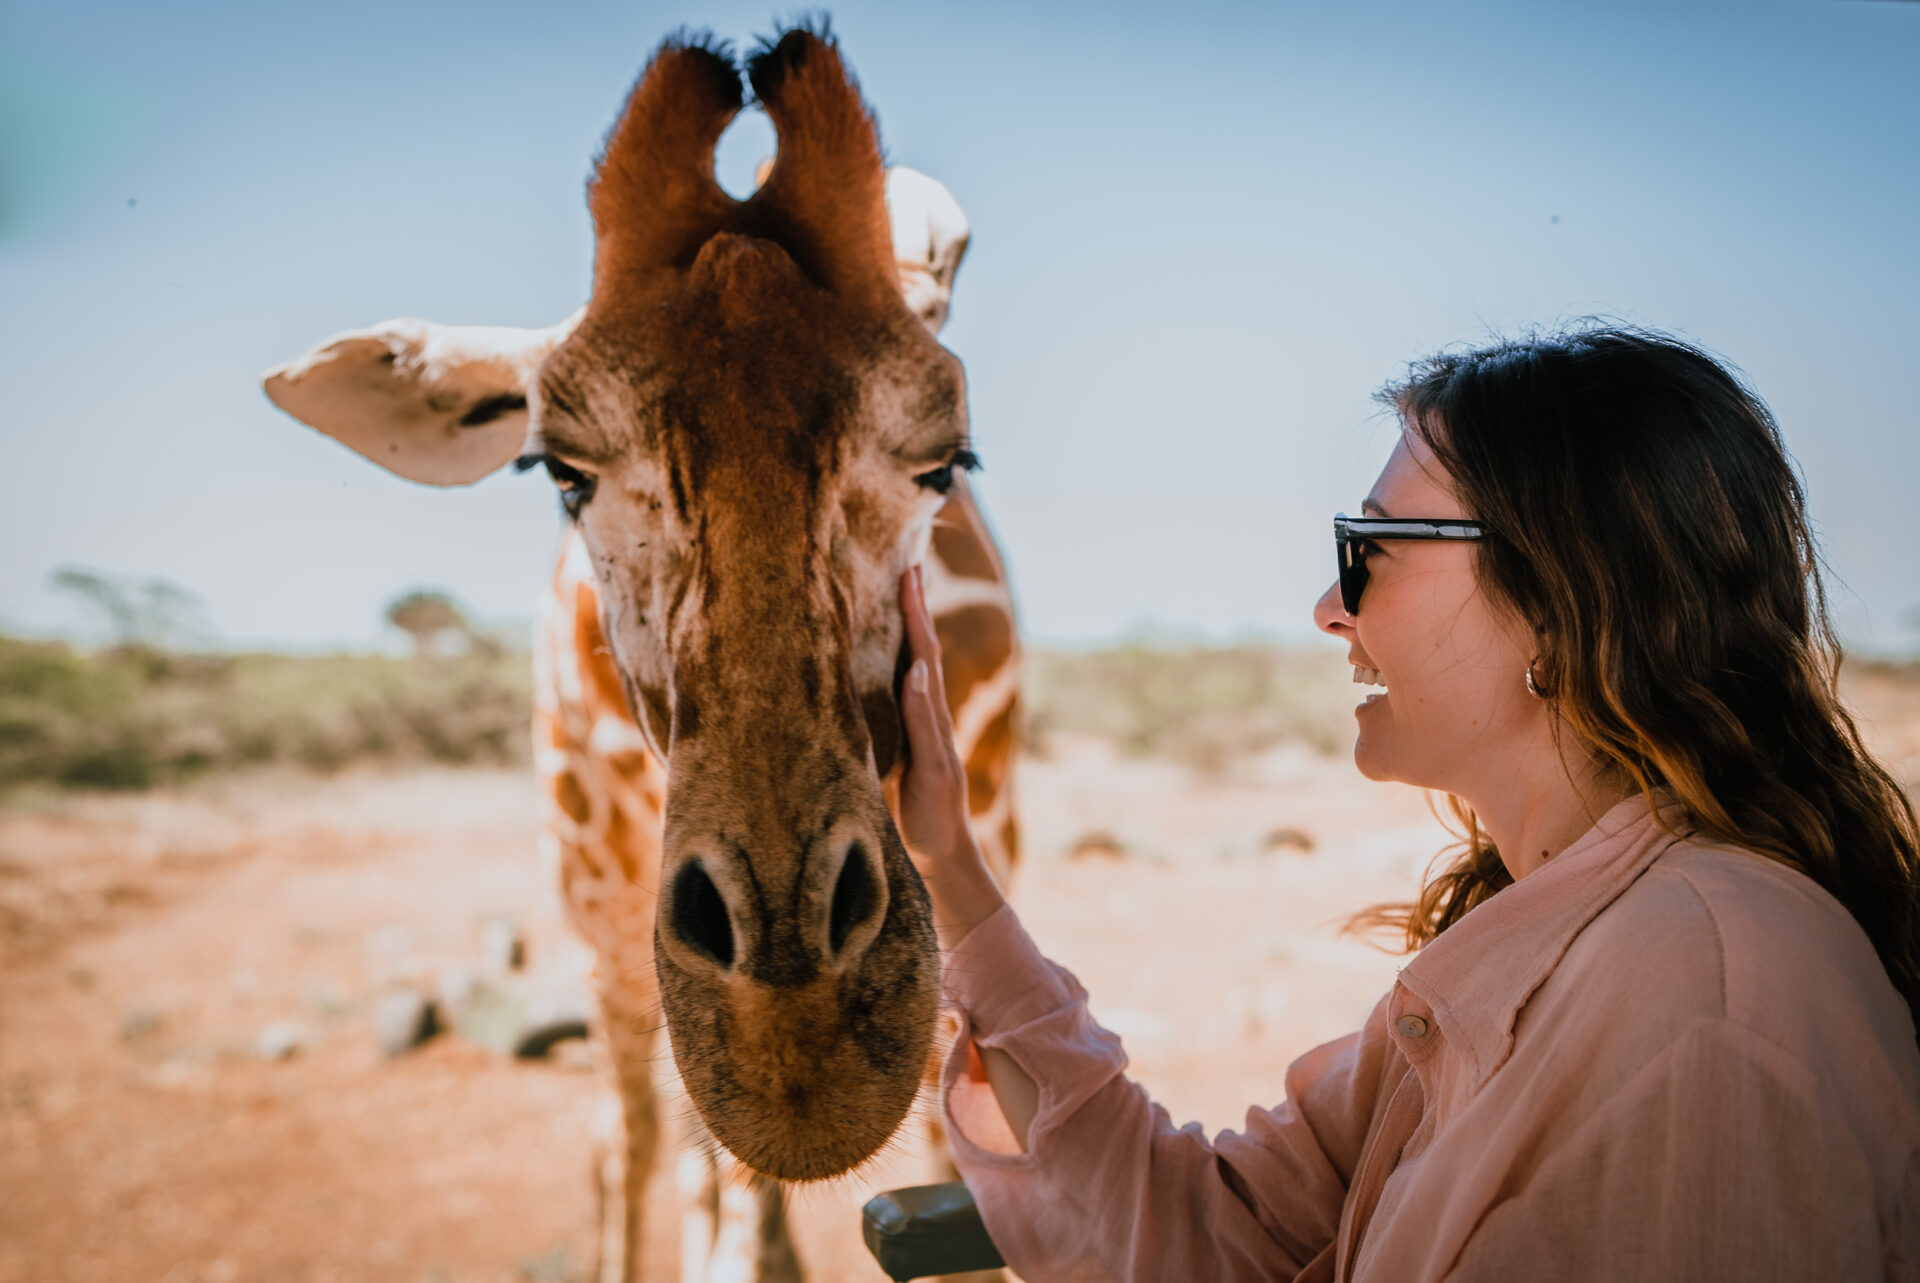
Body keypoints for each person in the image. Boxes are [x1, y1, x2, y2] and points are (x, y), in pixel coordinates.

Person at [893, 326, 1920, 1282]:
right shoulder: (1555, 948)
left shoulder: (1700, 1001)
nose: (1331, 608)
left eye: (1372, 548)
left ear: (1564, 601)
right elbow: (1200, 1232)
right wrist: (946, 861)